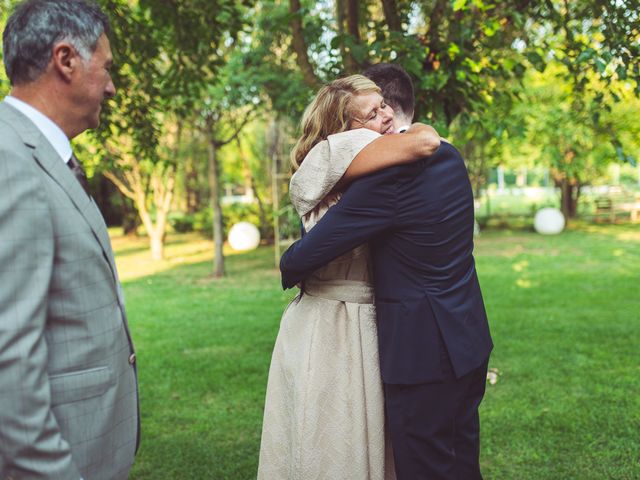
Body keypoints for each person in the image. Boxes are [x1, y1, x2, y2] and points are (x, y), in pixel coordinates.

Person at [280, 63, 493, 480]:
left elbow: (302, 259)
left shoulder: (388, 180)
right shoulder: (449, 154)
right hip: (468, 338)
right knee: (462, 461)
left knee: (426, 469)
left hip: (423, 357)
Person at [258, 74, 440, 479]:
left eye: (383, 105)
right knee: (332, 440)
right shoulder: (340, 148)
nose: (386, 115)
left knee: (346, 437)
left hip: (351, 315)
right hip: (333, 324)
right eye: (371, 113)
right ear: (343, 127)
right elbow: (424, 142)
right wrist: (420, 128)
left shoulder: (357, 154)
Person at [0, 1, 139, 478]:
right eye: (106, 68)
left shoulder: (36, 153)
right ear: (66, 60)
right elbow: (8, 360)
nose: (112, 86)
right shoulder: (10, 163)